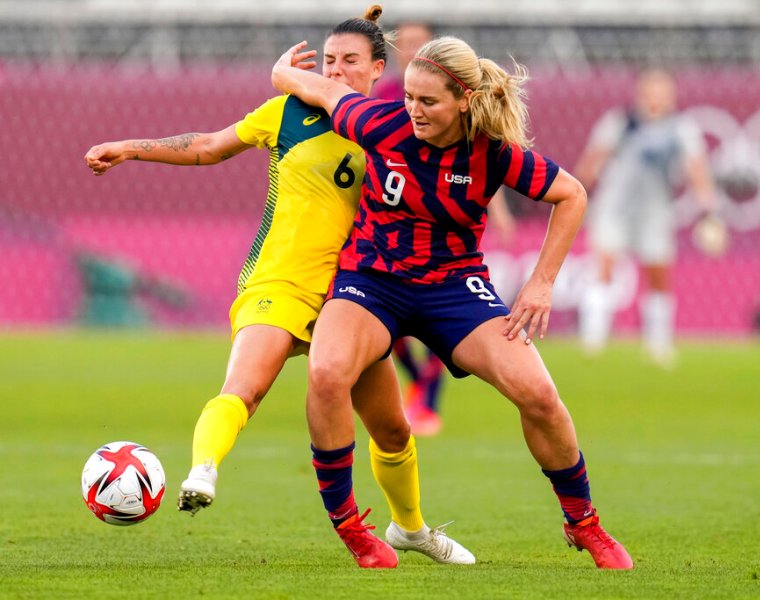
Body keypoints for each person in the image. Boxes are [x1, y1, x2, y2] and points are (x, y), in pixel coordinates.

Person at [84, 7, 473, 569]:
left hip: (352, 296)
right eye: (329, 60)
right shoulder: (286, 112)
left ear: (378, 69)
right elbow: (210, 146)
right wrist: (130, 146)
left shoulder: (392, 128)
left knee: (392, 427)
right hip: (279, 282)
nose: (336, 72)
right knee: (244, 388)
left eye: (351, 62)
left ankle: (410, 529)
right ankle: (203, 470)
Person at [272, 33, 634, 569]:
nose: (413, 110)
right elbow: (310, 86)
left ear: (464, 100)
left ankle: (584, 523)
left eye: (428, 101)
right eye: (409, 98)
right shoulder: (377, 122)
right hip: (372, 280)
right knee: (326, 373)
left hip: (452, 287)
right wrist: (283, 69)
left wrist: (540, 283)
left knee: (538, 393)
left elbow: (572, 194)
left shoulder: (492, 152)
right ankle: (352, 528)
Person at [375, 21, 517, 437]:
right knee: (386, 317)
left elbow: (484, 164)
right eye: (405, 44)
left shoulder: (461, 108)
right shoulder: (388, 98)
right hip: (395, 227)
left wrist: (502, 212)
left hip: (448, 227)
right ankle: (417, 381)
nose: (411, 50)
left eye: (420, 43)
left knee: (445, 313)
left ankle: (428, 395)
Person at [573, 68, 719, 366]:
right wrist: (576, 195)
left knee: (658, 274)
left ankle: (658, 342)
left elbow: (697, 170)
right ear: (640, 94)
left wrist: (707, 209)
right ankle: (593, 339)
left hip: (655, 212)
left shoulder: (681, 129)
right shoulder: (620, 123)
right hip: (616, 208)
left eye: (662, 92)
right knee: (604, 266)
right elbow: (592, 161)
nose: (656, 98)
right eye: (651, 91)